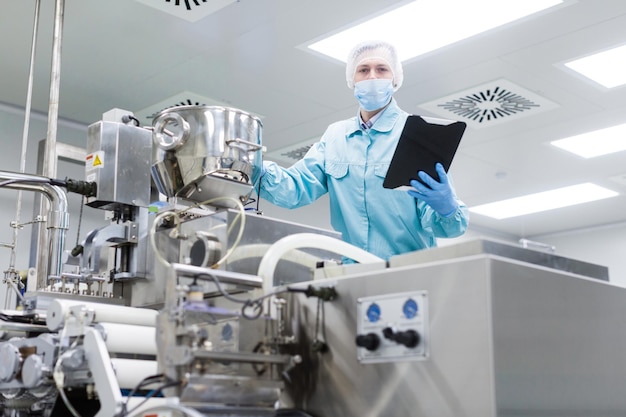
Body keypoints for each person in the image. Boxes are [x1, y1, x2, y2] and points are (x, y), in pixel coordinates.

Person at [259, 40, 469, 261]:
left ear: (395, 78)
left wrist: (447, 208)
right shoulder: (335, 136)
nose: (372, 77)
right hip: (353, 274)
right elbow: (294, 189)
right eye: (363, 70)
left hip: (407, 272)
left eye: (381, 69)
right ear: (352, 79)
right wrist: (250, 164)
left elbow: (448, 227)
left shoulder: (418, 134)